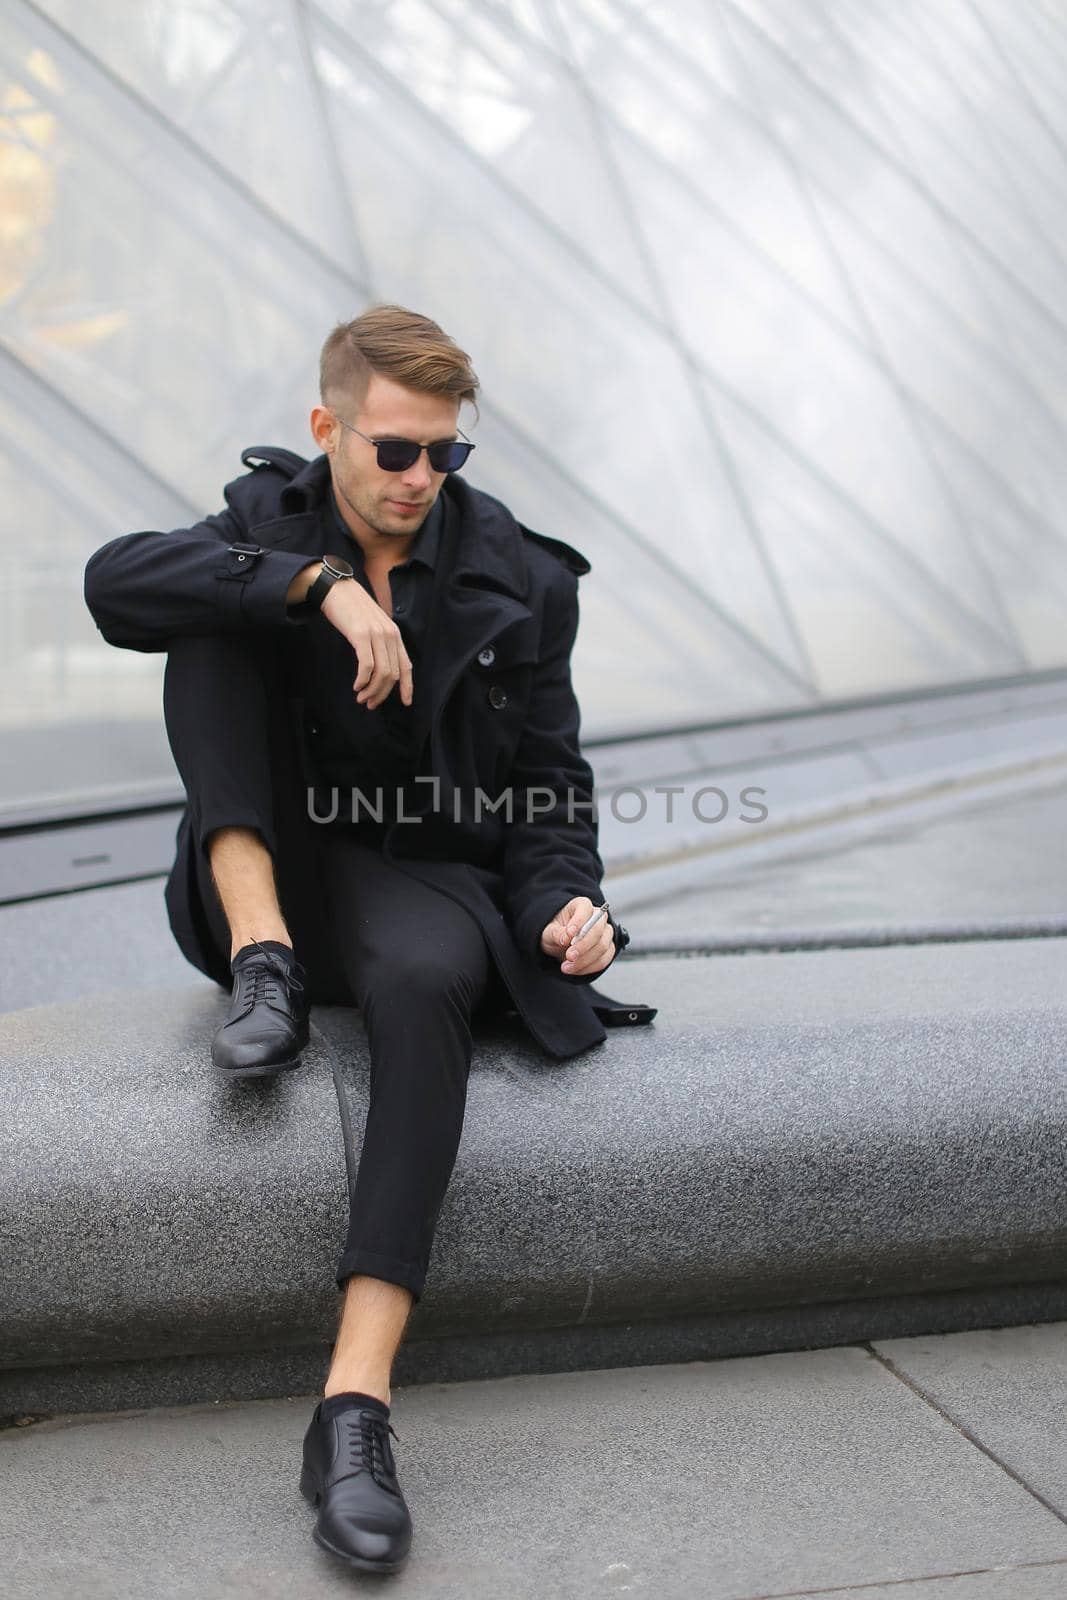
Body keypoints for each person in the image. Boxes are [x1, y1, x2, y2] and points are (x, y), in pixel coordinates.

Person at [82, 302, 654, 1576]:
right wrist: (315, 585)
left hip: (414, 878)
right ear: (325, 427)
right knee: (217, 615)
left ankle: (354, 1410)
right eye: (394, 451)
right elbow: (113, 582)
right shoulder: (266, 525)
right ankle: (263, 965)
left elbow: (549, 789)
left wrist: (571, 905)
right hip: (260, 880)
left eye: (445, 454)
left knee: (428, 977)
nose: (420, 479)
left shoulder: (520, 578)